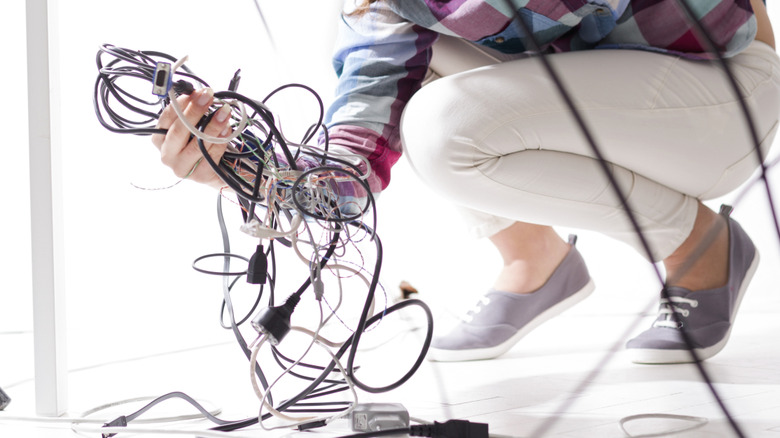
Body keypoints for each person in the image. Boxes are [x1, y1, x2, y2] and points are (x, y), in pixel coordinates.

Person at [152, 0, 779, 364]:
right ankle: (536, 259)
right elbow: (356, 157)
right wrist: (254, 175)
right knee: (388, 53)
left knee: (442, 123)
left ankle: (700, 249)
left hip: (720, 85)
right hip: (586, 71)